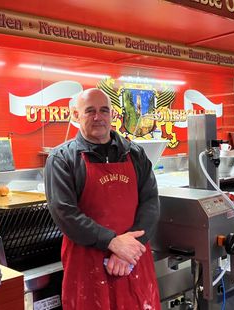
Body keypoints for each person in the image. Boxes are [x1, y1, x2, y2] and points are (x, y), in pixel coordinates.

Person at [44, 88, 161, 309]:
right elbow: (64, 213)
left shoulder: (134, 153)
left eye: (104, 110)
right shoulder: (62, 159)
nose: (98, 117)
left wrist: (129, 250)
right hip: (87, 264)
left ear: (112, 114)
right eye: (90, 111)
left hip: (133, 259)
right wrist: (113, 242)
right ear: (75, 115)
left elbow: (151, 203)